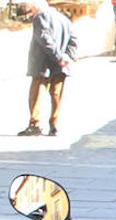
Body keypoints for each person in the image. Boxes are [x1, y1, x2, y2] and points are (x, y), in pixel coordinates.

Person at [18, 0, 75, 137]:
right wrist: (67, 57)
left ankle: (35, 125)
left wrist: (59, 57)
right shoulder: (64, 19)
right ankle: (54, 126)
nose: (29, 16)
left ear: (34, 8)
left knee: (36, 94)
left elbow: (44, 39)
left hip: (43, 64)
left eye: (29, 11)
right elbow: (74, 40)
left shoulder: (40, 17)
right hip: (61, 66)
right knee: (56, 96)